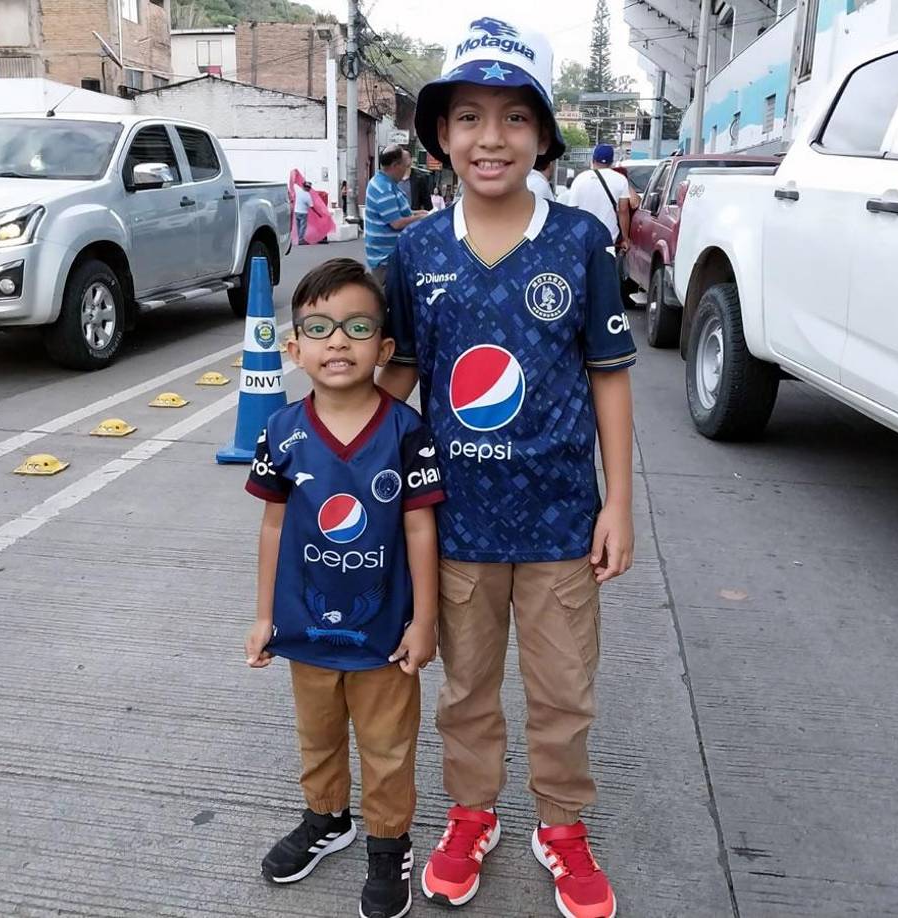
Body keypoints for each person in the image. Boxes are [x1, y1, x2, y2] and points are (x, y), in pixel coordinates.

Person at [377, 17, 636, 918]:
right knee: (468, 687)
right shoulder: (414, 252)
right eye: (470, 118)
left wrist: (618, 506)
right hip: (457, 521)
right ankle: (473, 813)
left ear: (543, 136)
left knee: (564, 691)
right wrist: (338, 383)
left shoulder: (579, 244)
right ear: (441, 136)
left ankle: (561, 826)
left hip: (565, 519)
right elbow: (402, 373)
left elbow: (608, 377)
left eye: (514, 118)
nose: (491, 138)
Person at [245, 257, 444, 918]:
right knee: (319, 736)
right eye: (320, 328)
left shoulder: (406, 432)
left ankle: (389, 847)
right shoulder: (282, 433)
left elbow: (420, 531)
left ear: (383, 348)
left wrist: (424, 620)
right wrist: (263, 615)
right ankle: (327, 819)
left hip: (384, 633)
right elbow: (274, 526)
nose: (338, 341)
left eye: (357, 327)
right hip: (305, 629)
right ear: (294, 348)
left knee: (387, 749)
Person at [364, 145, 428, 286]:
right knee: (390, 301)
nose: (405, 171)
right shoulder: (382, 188)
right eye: (404, 167)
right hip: (385, 259)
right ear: (395, 165)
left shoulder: (389, 184)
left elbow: (399, 211)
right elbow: (396, 222)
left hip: (393, 256)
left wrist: (419, 213)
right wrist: (421, 218)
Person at [567, 144, 630, 253]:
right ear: (612, 161)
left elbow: (572, 211)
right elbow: (623, 211)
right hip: (609, 237)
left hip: (584, 236)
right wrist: (625, 238)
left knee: (585, 268)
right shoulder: (620, 179)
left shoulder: (580, 178)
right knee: (606, 267)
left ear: (593, 159)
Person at [294, 180, 313, 245]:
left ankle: (299, 238)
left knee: (298, 226)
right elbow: (311, 206)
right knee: (302, 226)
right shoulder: (307, 195)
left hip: (296, 211)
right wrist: (318, 213)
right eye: (308, 187)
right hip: (303, 213)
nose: (308, 189)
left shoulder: (298, 192)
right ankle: (301, 240)